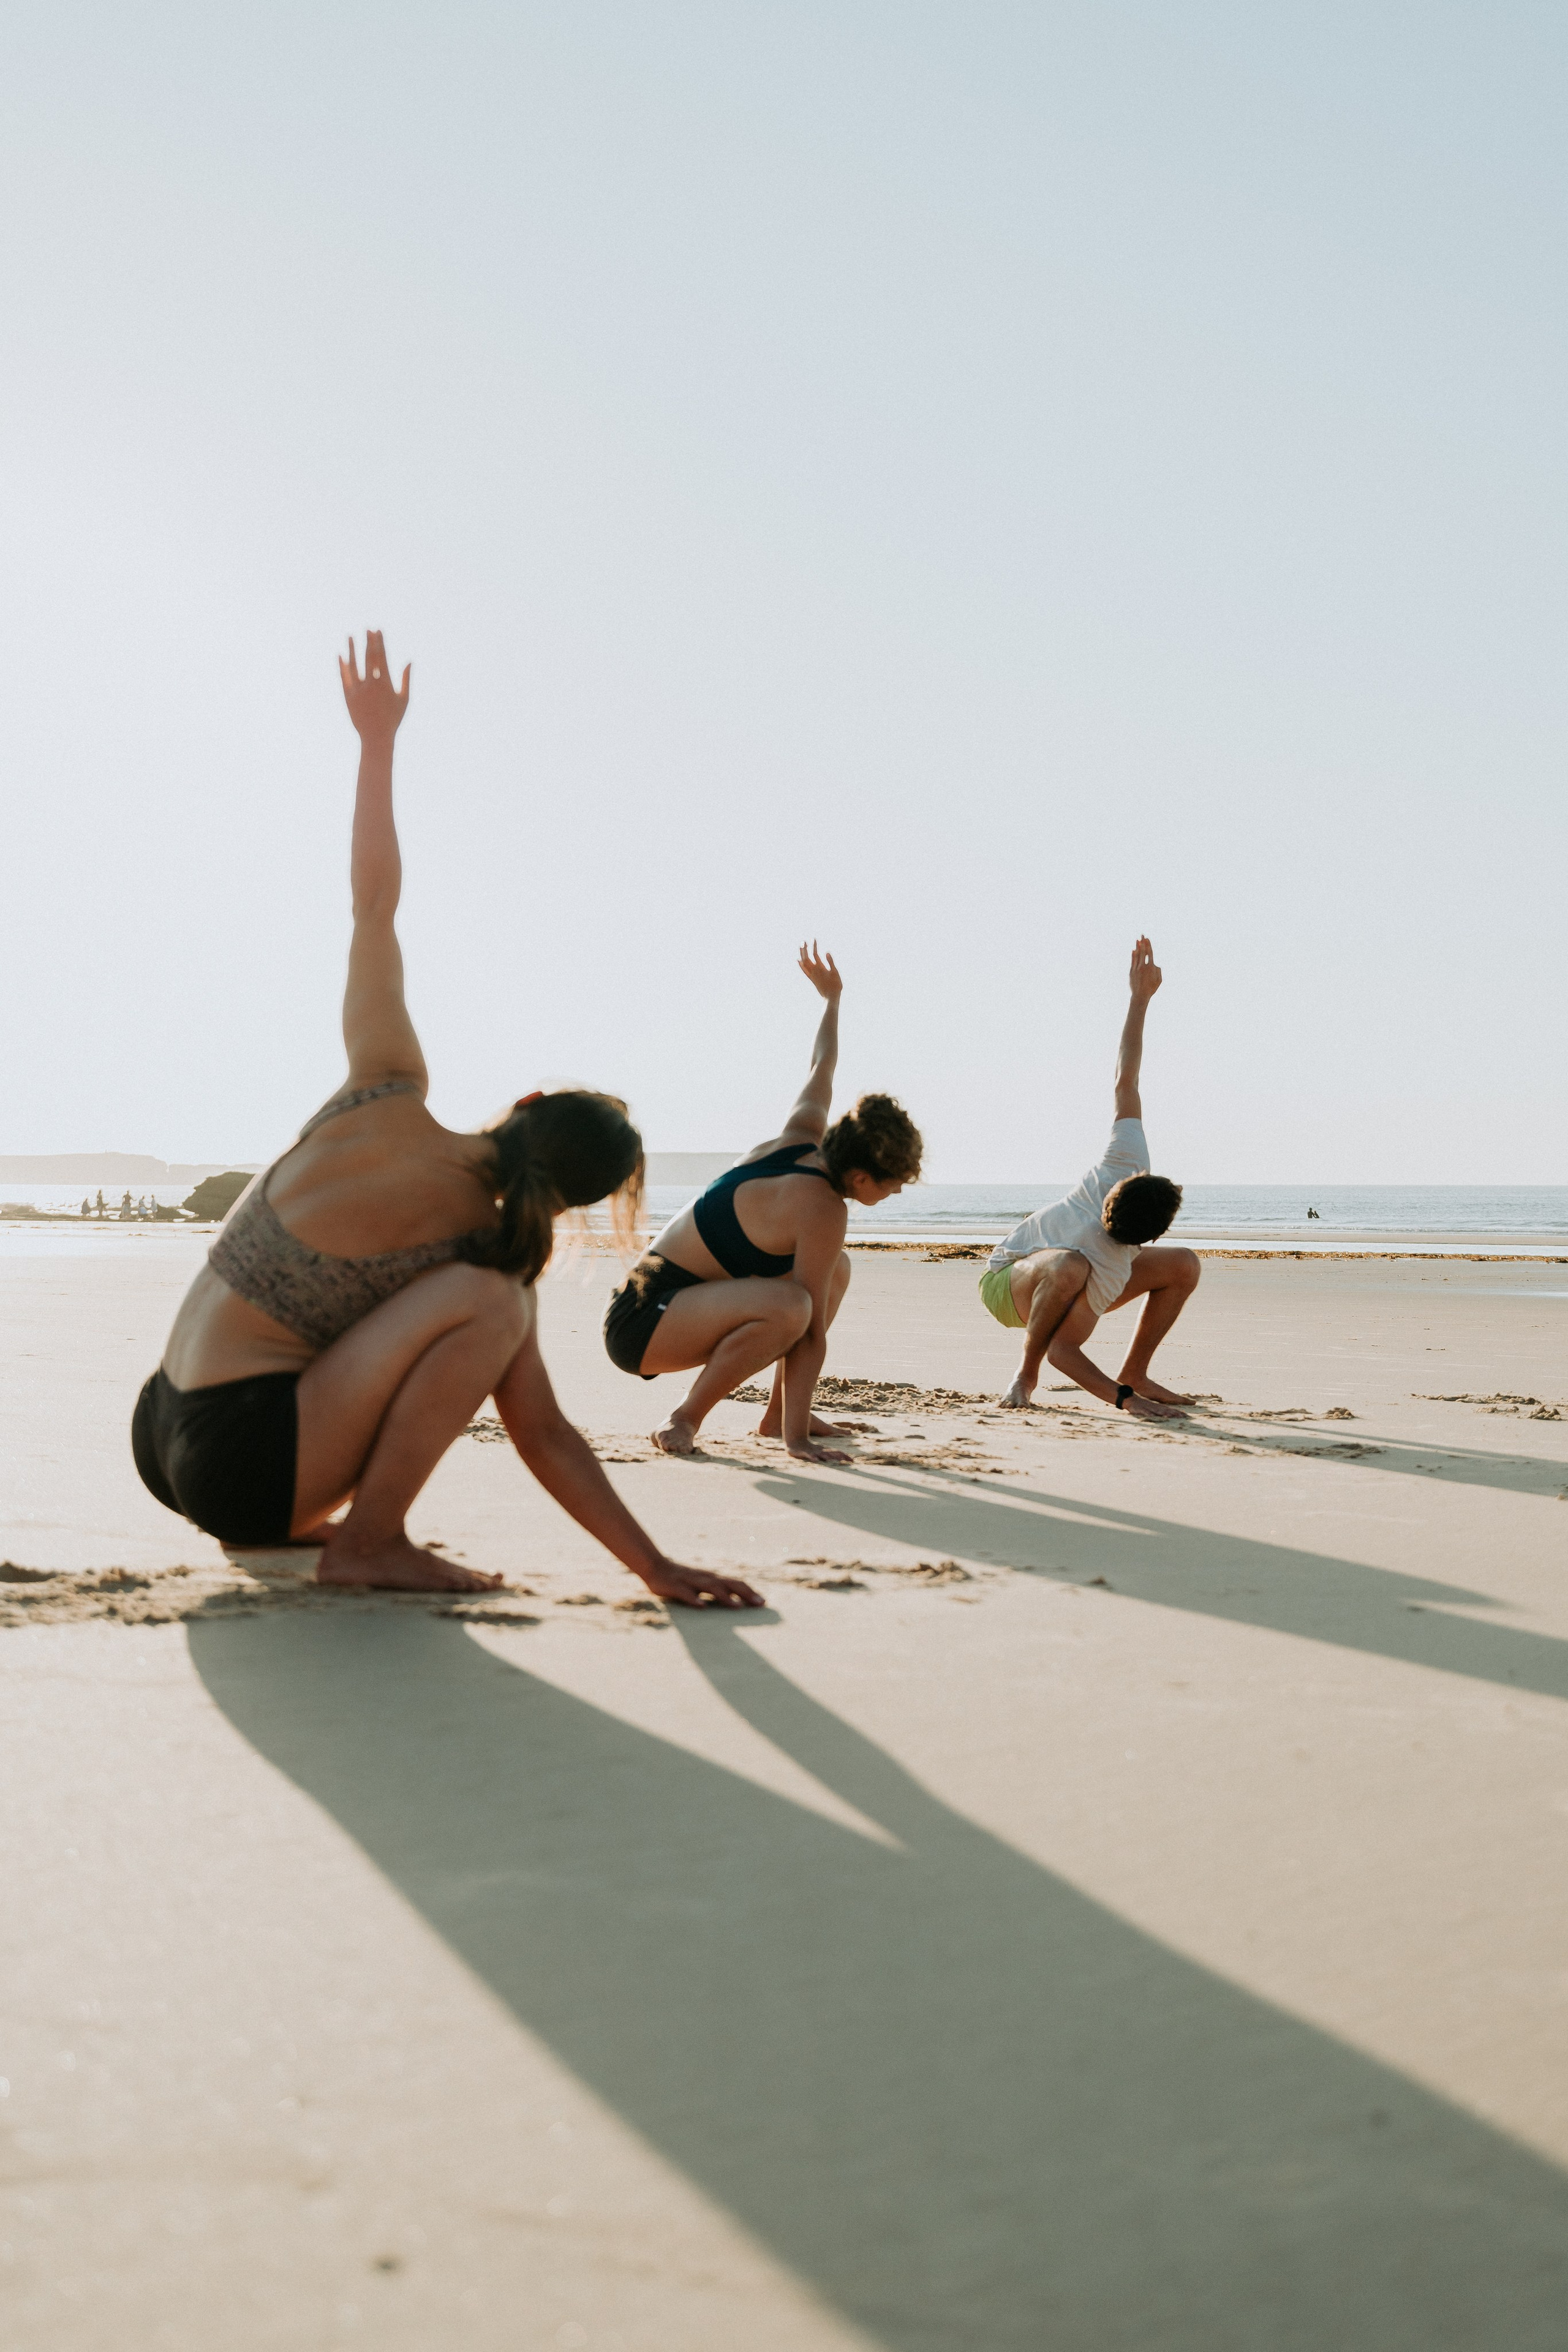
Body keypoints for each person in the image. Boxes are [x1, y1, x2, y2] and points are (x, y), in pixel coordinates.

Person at [132, 633, 760, 1611]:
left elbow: (373, 907)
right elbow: (544, 1434)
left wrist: (376, 745)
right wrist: (656, 1568)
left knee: (477, 1302)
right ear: (576, 1198)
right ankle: (370, 1542)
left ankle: (340, 1528)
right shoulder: (490, 1255)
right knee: (494, 1307)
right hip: (237, 1461)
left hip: (165, 1427)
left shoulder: (382, 1085)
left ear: (531, 1101)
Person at [603, 948, 923, 1463]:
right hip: (643, 1322)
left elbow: (823, 1062)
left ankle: (776, 1415)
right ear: (861, 1176)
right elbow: (809, 1334)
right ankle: (683, 1419)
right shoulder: (823, 1208)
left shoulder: (802, 1136)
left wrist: (833, 1000)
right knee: (795, 1307)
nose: (898, 1192)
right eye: (894, 1183)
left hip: (677, 1307)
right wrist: (799, 1444)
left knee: (831, 1272)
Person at [979, 938, 1199, 1419]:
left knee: (1184, 1265)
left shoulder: (1122, 1165)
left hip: (1075, 1273)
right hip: (1006, 1283)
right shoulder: (1105, 1266)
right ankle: (1024, 1374)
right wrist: (1126, 1404)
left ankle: (1136, 1370)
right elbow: (1063, 1350)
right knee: (1068, 1268)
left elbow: (1126, 1079)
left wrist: (1139, 999)